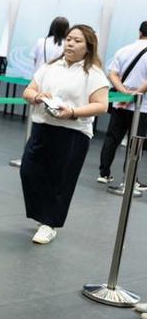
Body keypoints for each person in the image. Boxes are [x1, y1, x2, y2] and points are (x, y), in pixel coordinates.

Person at [20, 24, 109, 245]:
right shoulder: (50, 67)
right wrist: (38, 96)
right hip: (43, 126)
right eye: (69, 39)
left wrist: (73, 112)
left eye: (77, 40)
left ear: (88, 47)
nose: (70, 43)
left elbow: (101, 106)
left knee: (60, 180)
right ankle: (43, 216)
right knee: (29, 171)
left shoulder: (94, 74)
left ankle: (49, 223)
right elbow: (27, 91)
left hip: (73, 133)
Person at [97, 21, 147, 187]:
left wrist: (123, 93)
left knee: (112, 138)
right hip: (142, 106)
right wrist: (135, 93)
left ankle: (104, 173)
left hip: (120, 103)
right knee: (135, 141)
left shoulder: (123, 50)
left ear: (140, 32)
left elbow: (112, 74)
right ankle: (130, 178)